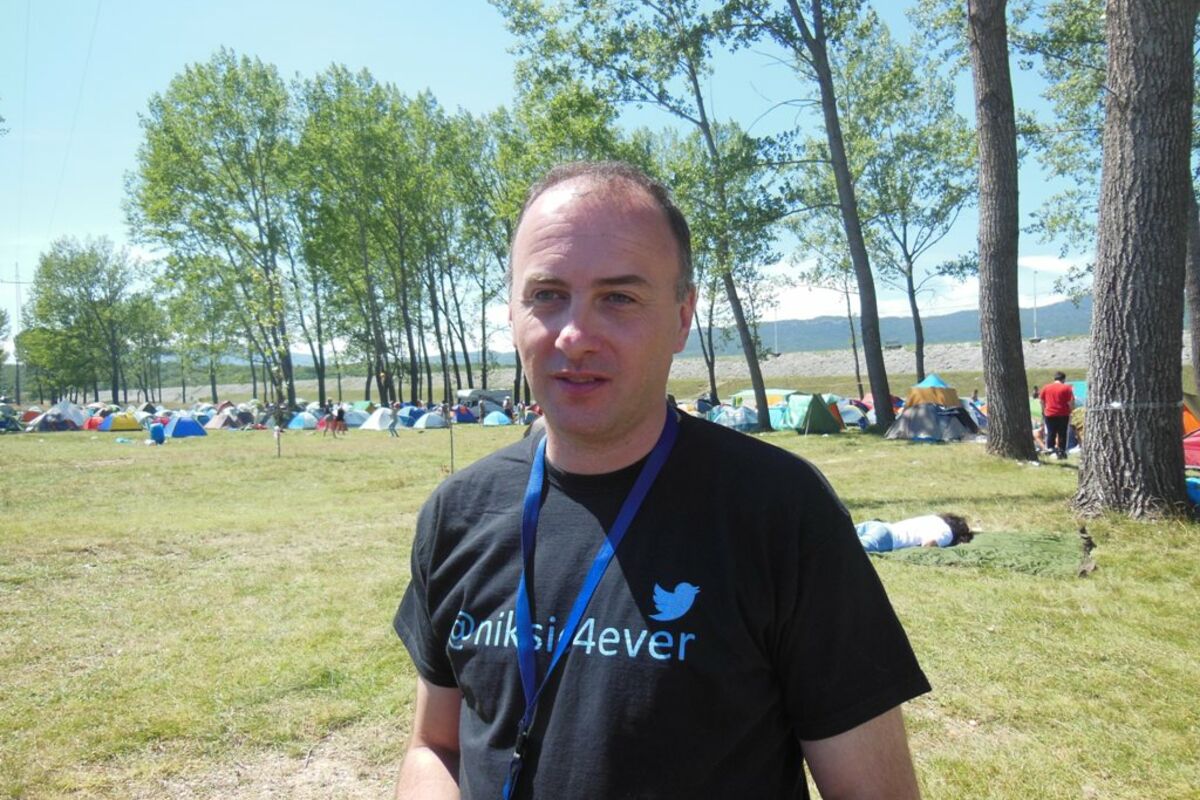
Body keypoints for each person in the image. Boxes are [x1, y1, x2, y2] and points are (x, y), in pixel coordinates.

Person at [392, 161, 929, 800]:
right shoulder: (459, 511)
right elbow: (435, 745)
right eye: (547, 294)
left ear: (681, 316)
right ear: (512, 313)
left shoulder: (779, 512)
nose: (575, 335)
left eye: (618, 297)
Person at [855, 514, 974, 553]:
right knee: (853, 550)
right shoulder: (947, 533)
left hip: (879, 526)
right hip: (887, 538)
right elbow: (929, 543)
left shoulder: (934, 517)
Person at [1040, 372, 1076, 460]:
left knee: (1051, 433)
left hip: (1049, 414)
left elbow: (1041, 401)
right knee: (1062, 433)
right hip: (1063, 414)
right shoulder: (1067, 388)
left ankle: (1050, 450)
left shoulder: (1046, 387)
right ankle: (1061, 451)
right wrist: (1071, 411)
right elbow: (1071, 402)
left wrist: (1043, 410)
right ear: (1063, 379)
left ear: (1054, 379)